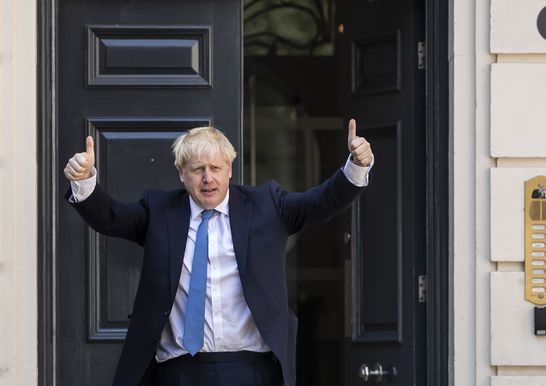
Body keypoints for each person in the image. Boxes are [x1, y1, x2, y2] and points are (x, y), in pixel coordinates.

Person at [63, 119, 373, 386]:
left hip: (250, 368)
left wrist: (356, 167)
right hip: (179, 371)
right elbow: (112, 217)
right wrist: (84, 180)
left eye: (215, 168)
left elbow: (320, 202)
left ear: (229, 170)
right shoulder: (159, 211)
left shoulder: (267, 205)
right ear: (182, 174)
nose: (207, 178)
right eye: (197, 169)